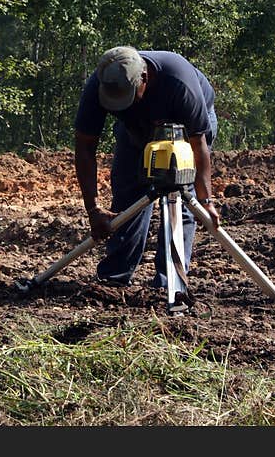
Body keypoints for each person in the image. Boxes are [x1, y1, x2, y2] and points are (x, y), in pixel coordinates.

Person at [74, 45, 219, 288]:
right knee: (128, 192)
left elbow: (198, 144)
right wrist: (93, 209)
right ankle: (115, 277)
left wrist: (206, 202)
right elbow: (85, 146)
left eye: (127, 97)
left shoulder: (178, 82)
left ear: (144, 78)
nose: (122, 105)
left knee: (179, 196)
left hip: (186, 129)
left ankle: (171, 282)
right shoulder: (101, 84)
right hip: (135, 129)